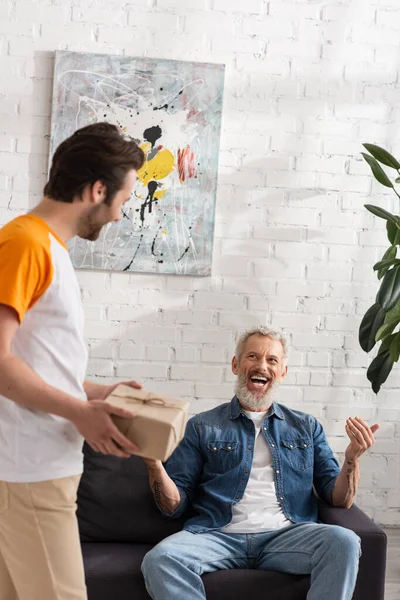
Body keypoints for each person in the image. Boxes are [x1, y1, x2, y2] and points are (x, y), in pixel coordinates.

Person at [0, 122, 145, 600]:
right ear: (97, 189)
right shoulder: (25, 243)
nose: (120, 215)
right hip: (30, 473)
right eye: (122, 200)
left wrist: (95, 393)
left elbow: (34, 360)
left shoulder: (49, 248)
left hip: (36, 468)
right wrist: (81, 413)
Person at [142, 326, 380, 600]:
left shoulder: (305, 426)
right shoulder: (202, 426)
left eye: (272, 360)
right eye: (252, 356)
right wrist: (153, 464)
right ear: (236, 364)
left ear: (283, 372)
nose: (261, 366)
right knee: (160, 559)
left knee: (345, 541)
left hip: (287, 536)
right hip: (217, 536)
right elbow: (173, 506)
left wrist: (351, 459)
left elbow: (338, 499)